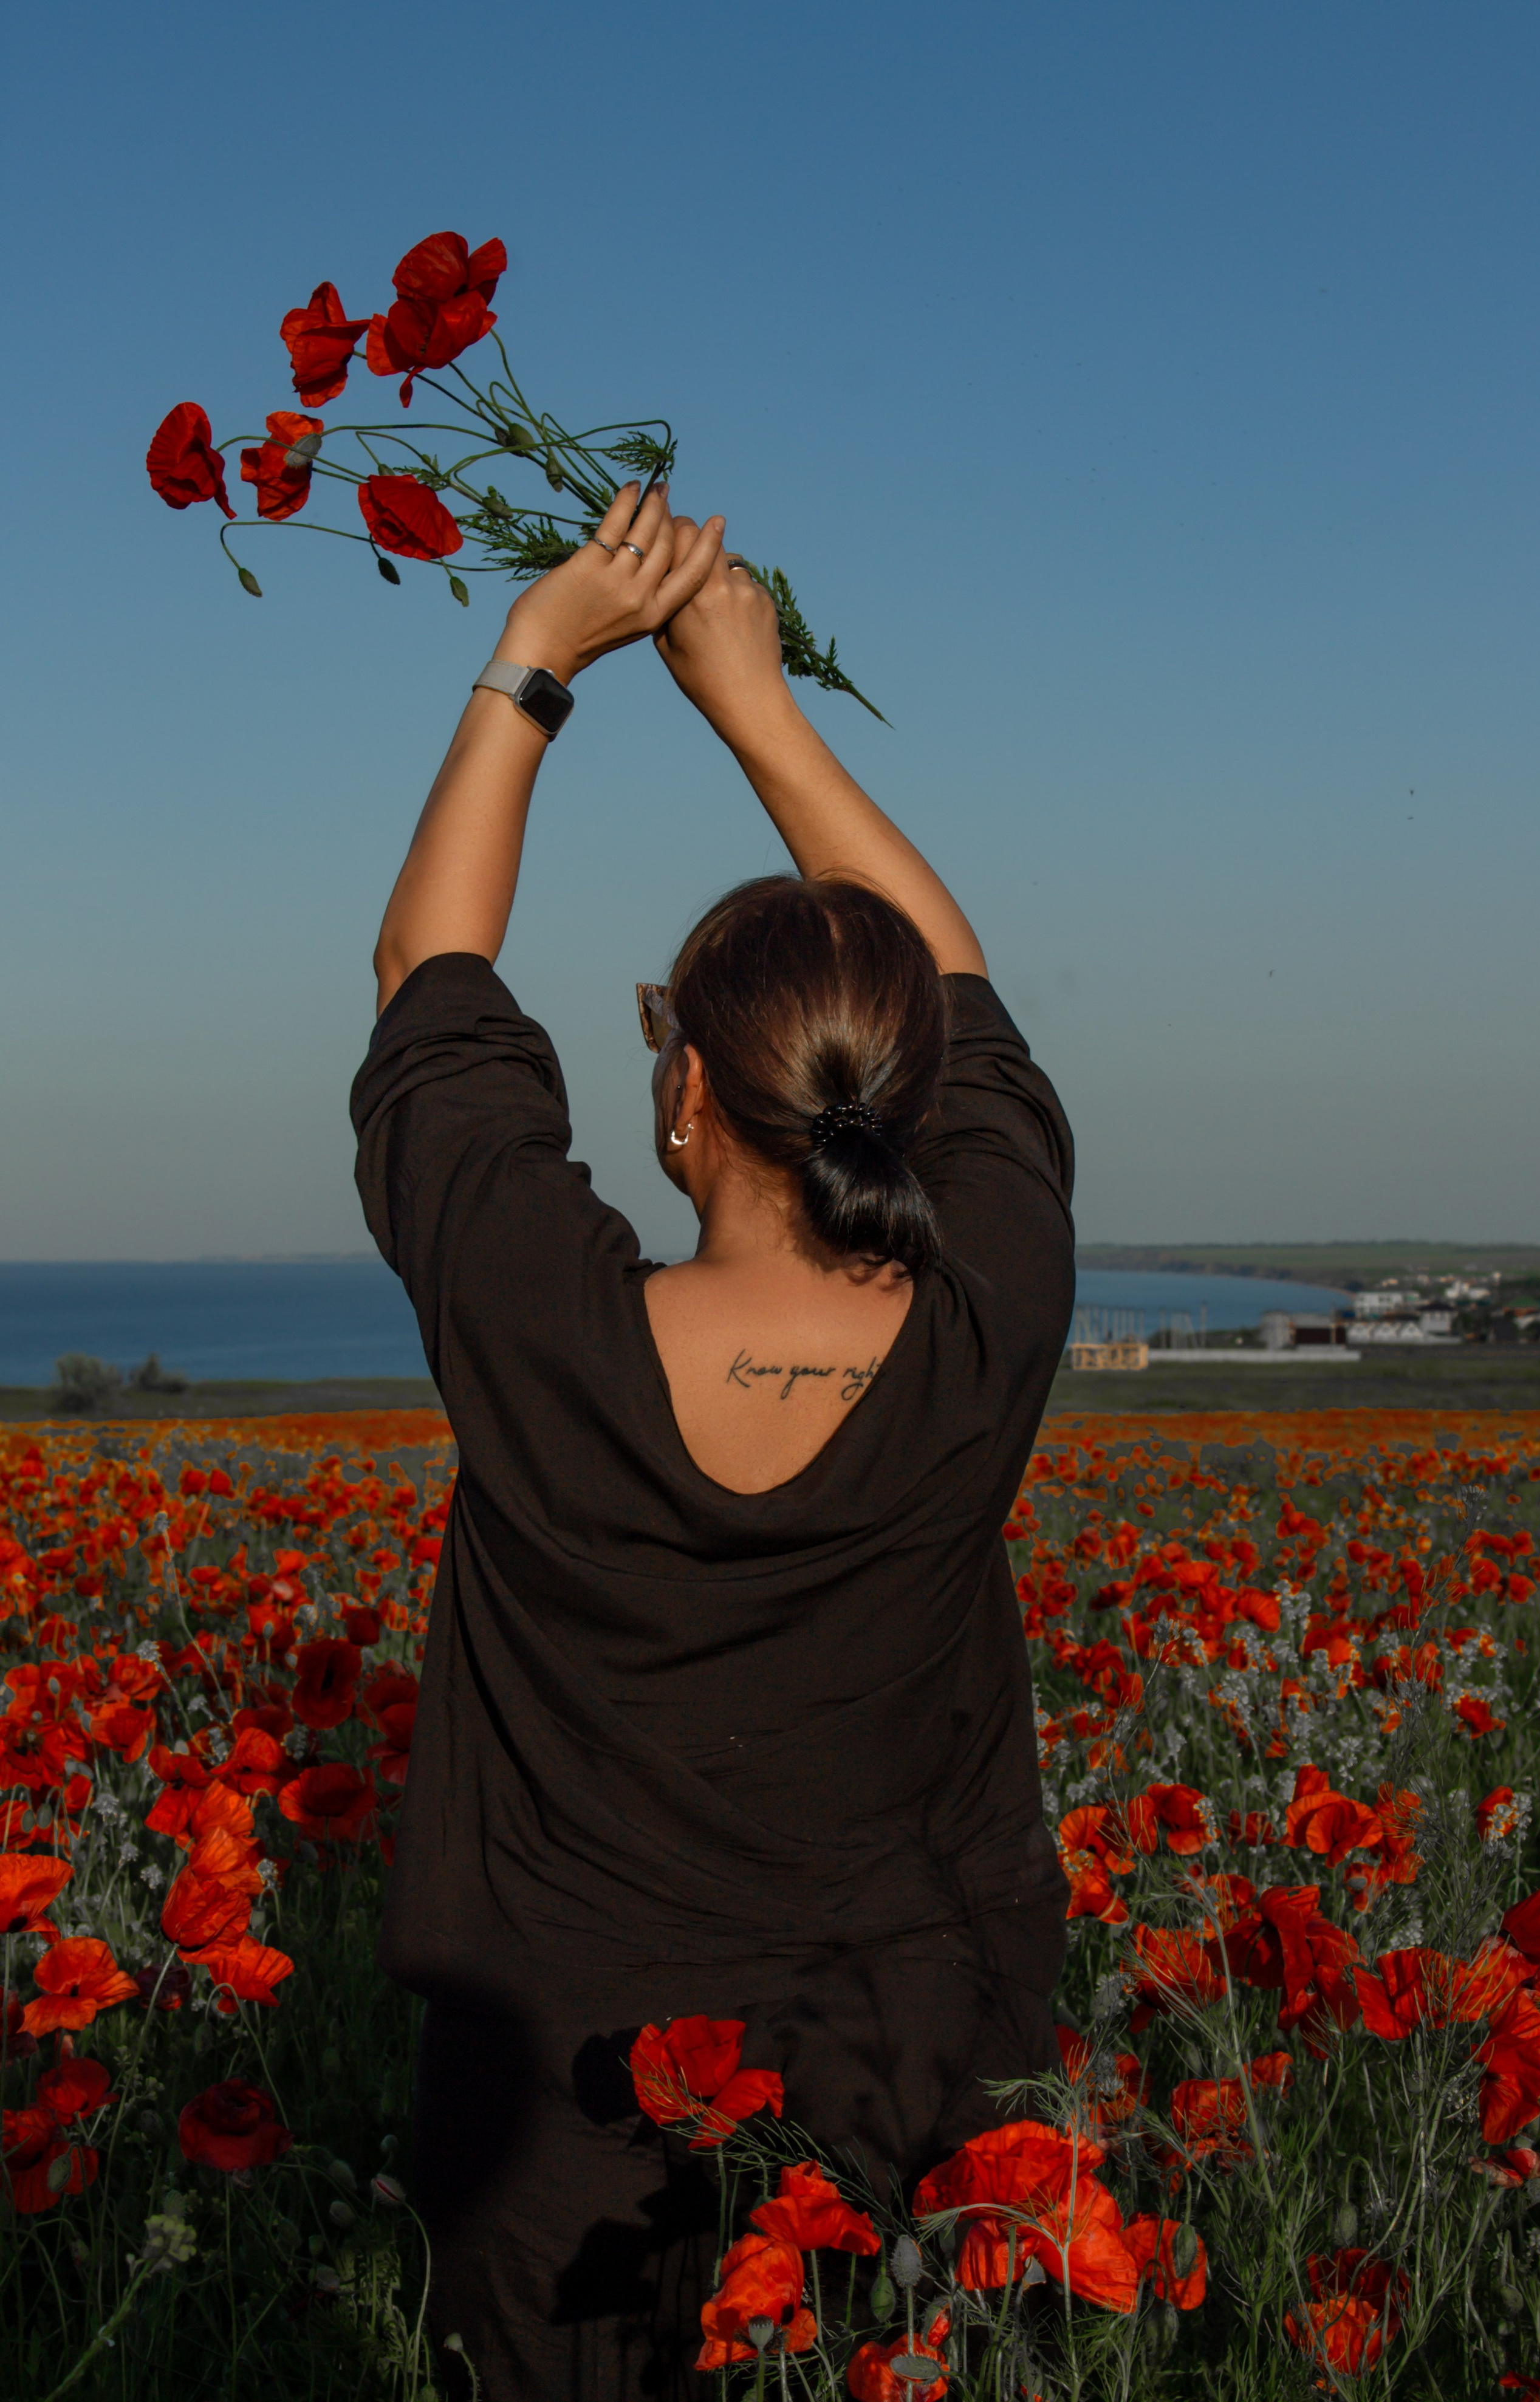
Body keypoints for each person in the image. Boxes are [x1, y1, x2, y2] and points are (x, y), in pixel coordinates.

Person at [351, 481, 1075, 2402]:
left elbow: (426, 982)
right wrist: (751, 702)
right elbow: (968, 986)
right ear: (913, 1115)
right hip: (903, 2092)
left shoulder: (538, 1320)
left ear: (682, 1097)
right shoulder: (993, 1301)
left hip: (561, 2146)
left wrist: (538, 653)